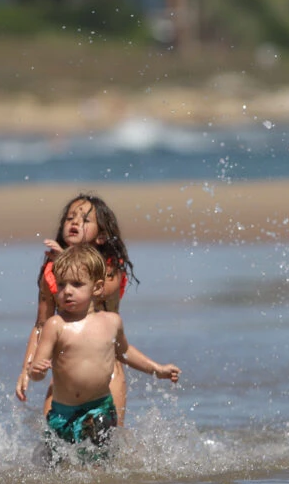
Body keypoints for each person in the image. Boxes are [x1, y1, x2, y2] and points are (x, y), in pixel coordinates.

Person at [27, 244, 179, 463]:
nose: (67, 291)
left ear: (96, 288)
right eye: (61, 285)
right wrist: (36, 371)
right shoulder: (56, 325)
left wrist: (157, 369)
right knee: (56, 467)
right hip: (62, 413)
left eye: (77, 284)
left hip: (99, 408)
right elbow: (37, 370)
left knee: (100, 463)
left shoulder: (111, 322)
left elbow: (125, 352)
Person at [14, 194, 137, 424]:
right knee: (52, 440)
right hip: (64, 370)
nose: (74, 223)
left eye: (84, 220)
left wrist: (67, 260)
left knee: (109, 444)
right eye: (70, 218)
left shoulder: (110, 269)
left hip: (106, 370)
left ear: (101, 236)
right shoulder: (52, 274)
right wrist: (26, 369)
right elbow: (41, 325)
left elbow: (100, 291)